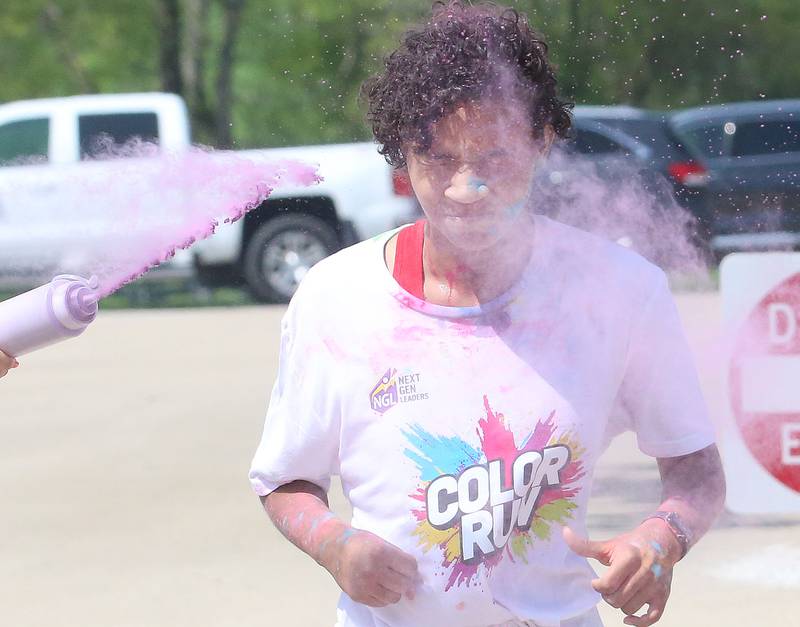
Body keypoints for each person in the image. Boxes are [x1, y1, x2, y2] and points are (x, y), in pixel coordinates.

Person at [249, 3, 726, 627]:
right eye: (439, 158)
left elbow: (696, 471)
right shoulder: (335, 296)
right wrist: (334, 545)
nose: (465, 187)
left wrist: (661, 541)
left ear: (542, 142)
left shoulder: (620, 291)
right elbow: (286, 480)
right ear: (402, 158)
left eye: (495, 158)